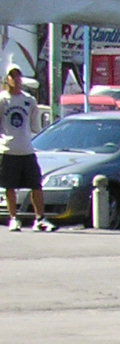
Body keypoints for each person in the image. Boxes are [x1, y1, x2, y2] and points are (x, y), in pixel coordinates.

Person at [2, 65, 52, 232]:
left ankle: (40, 219)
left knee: (36, 185)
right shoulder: (2, 100)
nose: (15, 79)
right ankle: (14, 218)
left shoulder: (29, 100)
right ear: (6, 79)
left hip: (27, 150)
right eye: (12, 76)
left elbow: (35, 126)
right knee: (10, 187)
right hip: (8, 150)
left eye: (18, 76)